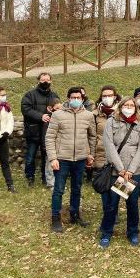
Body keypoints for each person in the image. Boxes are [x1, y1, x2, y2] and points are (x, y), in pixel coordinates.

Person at [98, 96, 140, 248]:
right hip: (116, 171)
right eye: (125, 105)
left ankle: (133, 232)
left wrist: (130, 170)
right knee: (112, 204)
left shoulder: (139, 123)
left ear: (135, 108)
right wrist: (121, 169)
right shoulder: (112, 122)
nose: (128, 107)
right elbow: (109, 145)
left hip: (133, 172)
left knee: (132, 204)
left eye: (131, 105)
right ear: (120, 107)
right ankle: (106, 232)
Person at [45, 87, 96, 233]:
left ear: (82, 99)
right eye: (73, 97)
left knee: (76, 188)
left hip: (80, 158)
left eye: (78, 97)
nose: (75, 100)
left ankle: (75, 215)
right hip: (62, 158)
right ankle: (55, 218)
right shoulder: (58, 115)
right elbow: (50, 137)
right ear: (68, 98)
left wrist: (90, 154)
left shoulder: (88, 115)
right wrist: (53, 158)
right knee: (58, 190)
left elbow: (92, 137)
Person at [21, 72, 59, 187]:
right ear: (38, 81)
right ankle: (30, 178)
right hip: (33, 131)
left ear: (51, 81)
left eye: (47, 80)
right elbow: (25, 109)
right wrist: (40, 116)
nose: (45, 82)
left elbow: (58, 109)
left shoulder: (54, 95)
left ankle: (45, 177)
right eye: (43, 80)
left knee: (47, 157)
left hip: (48, 132)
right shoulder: (30, 95)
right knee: (30, 157)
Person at [92, 86, 121, 177]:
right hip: (100, 154)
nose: (107, 98)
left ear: (115, 97)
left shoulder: (122, 113)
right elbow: (91, 135)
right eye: (104, 96)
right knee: (101, 185)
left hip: (118, 154)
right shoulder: (95, 114)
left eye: (110, 95)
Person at [42, 99, 62, 190]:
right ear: (51, 109)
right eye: (57, 108)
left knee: (58, 166)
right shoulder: (48, 120)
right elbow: (46, 135)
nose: (59, 110)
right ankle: (50, 183)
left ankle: (58, 182)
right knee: (49, 166)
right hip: (50, 147)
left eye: (60, 108)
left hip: (60, 146)